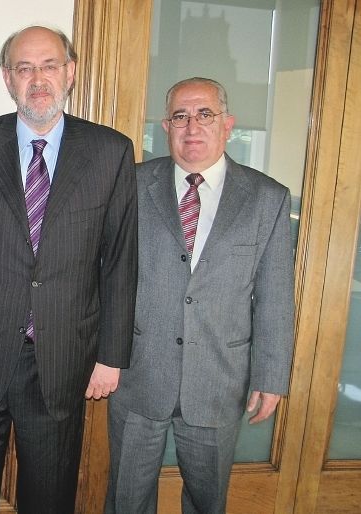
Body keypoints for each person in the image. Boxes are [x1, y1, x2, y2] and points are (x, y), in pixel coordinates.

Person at [0, 26, 138, 514]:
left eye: (49, 65)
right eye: (24, 68)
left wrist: (111, 356)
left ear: (70, 72)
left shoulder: (111, 151)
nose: (37, 78)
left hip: (63, 359)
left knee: (50, 497)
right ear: (7, 78)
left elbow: (120, 262)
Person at [105, 77, 295, 514]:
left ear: (227, 125)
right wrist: (103, 356)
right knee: (126, 500)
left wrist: (271, 375)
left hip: (218, 380)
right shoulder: (130, 187)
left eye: (204, 114)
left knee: (208, 502)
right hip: (138, 376)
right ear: (165, 126)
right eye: (180, 116)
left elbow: (275, 297)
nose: (192, 126)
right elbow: (105, 277)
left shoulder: (267, 199)